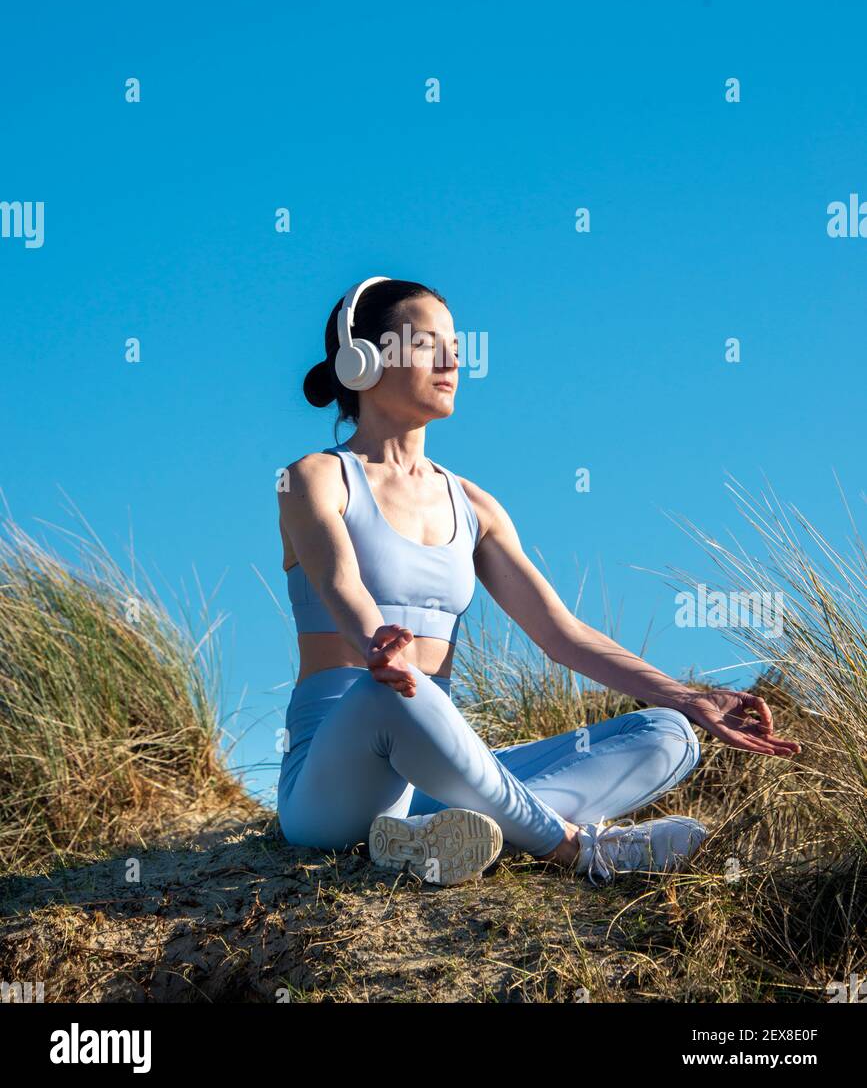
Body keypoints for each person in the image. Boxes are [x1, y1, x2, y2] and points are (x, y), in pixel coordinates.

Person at [276, 277, 801, 887]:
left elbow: (562, 634)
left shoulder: (474, 505)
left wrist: (686, 697)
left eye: (455, 344)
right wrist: (376, 642)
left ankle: (433, 838)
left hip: (432, 779)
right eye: (424, 343)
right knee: (393, 691)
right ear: (360, 359)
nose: (452, 359)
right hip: (332, 779)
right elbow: (341, 583)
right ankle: (580, 850)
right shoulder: (313, 478)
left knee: (667, 735)